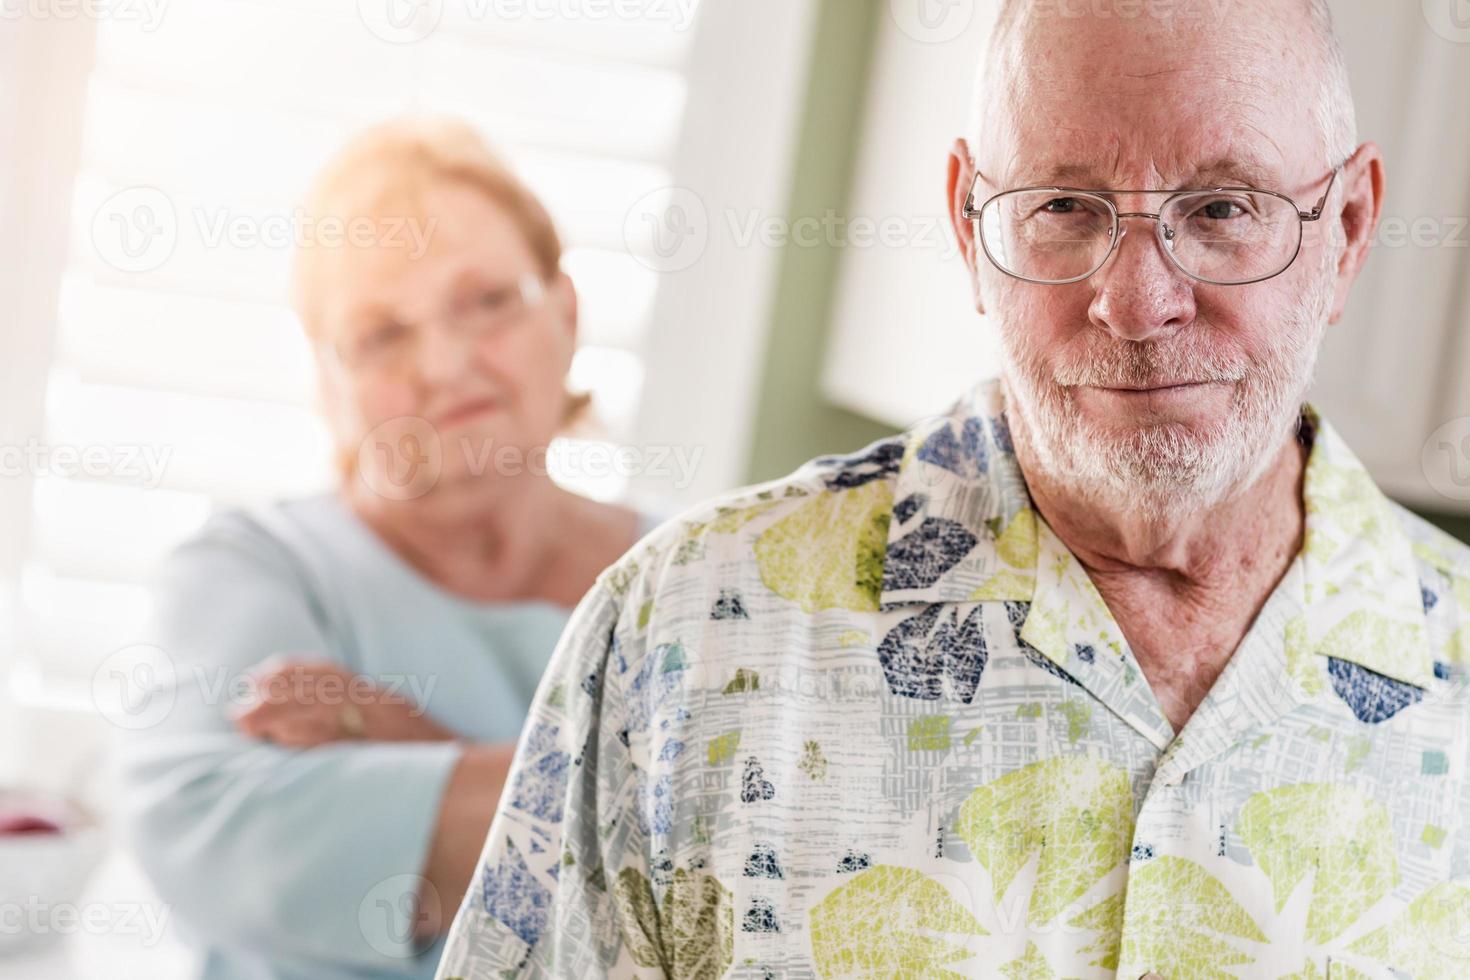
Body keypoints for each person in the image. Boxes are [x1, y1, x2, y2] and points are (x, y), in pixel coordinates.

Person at [433, 2, 1470, 977]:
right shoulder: (681, 628)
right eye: (1065, 206)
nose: (1137, 300)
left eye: (1222, 209)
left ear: (1347, 229)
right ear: (970, 226)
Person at [116, 118, 662, 979]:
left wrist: (411, 747)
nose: (444, 364)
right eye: (380, 334)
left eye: (486, 301)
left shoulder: (693, 578)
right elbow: (213, 840)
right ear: (328, 384)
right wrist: (636, 803)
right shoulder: (254, 569)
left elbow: (759, 879)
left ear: (565, 312)